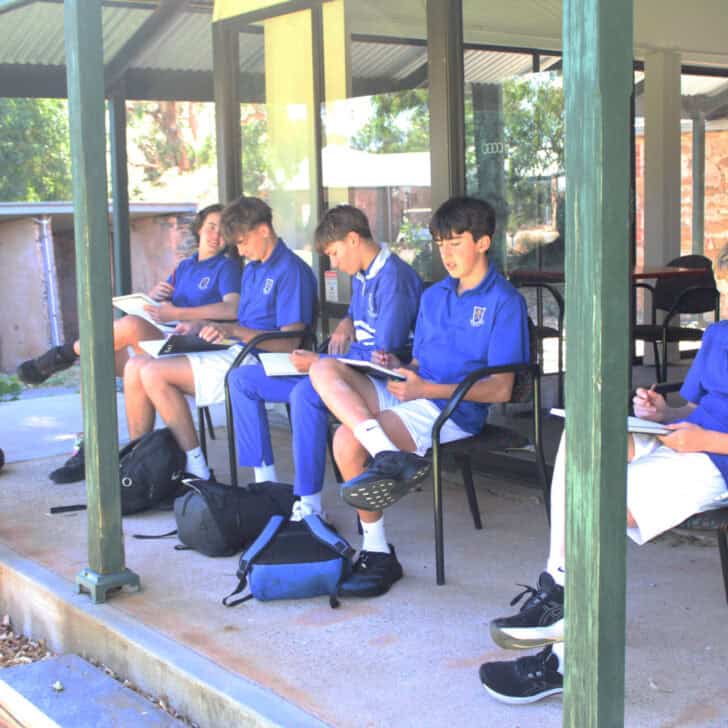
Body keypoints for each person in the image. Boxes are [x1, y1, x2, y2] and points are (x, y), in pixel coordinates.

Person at [479, 320, 728, 705]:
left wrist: (706, 439)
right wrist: (662, 412)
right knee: (582, 437)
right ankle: (561, 590)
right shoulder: (720, 332)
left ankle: (563, 657)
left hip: (716, 459)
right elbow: (697, 407)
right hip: (682, 435)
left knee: (599, 497)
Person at [307, 196, 529, 597]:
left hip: (453, 410)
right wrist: (399, 365)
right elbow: (421, 361)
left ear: (483, 242)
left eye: (456, 243)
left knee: (344, 440)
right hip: (416, 392)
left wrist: (423, 388)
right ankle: (385, 451)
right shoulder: (435, 295)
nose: (446, 254)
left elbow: (501, 388)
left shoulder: (505, 302)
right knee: (322, 368)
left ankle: (378, 552)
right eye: (441, 245)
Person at [17, 203, 240, 484]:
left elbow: (231, 309)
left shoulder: (227, 267)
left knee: (131, 326)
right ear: (199, 229)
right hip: (167, 337)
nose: (215, 235)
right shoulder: (185, 267)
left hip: (194, 347)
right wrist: (153, 298)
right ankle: (94, 447)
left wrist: (178, 313)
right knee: (96, 359)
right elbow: (163, 310)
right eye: (211, 227)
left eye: (223, 230)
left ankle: (62, 354)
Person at [226, 204, 423, 520]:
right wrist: (346, 320)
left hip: (376, 379)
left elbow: (381, 354)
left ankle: (309, 503)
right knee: (242, 379)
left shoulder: (394, 278)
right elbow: (359, 315)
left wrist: (321, 359)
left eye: (334, 253)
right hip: (343, 368)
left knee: (304, 393)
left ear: (353, 239)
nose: (334, 263)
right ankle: (265, 486)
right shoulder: (363, 272)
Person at [124, 195, 317, 482]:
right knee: (137, 365)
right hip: (237, 349)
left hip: (260, 360)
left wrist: (233, 331)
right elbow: (243, 322)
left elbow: (289, 344)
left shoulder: (291, 270)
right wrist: (203, 325)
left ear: (264, 230)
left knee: (154, 373)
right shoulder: (253, 266)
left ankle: (196, 471)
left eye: (242, 242)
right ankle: (137, 465)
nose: (240, 250)